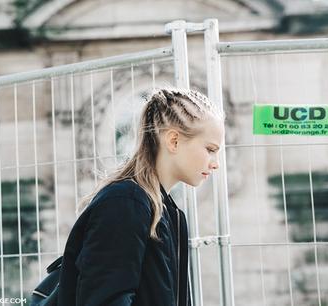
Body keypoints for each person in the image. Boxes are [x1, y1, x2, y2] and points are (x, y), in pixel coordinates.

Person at [57, 87, 225, 306]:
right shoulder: (124, 203)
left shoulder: (171, 213)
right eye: (210, 149)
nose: (216, 163)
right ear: (173, 140)